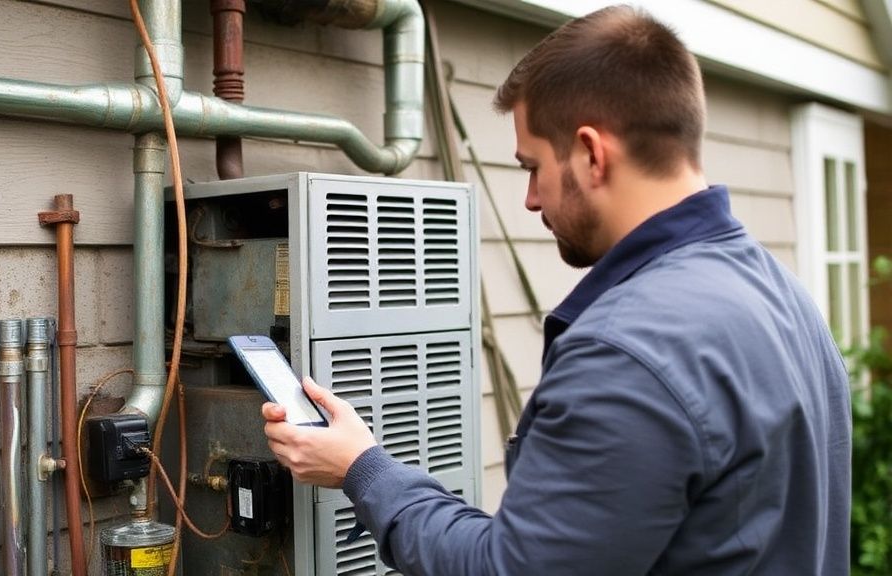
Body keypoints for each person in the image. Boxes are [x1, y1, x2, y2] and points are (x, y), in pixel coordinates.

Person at [262, 5, 851, 575]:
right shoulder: (784, 296)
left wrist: (363, 470)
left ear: (592, 154)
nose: (531, 199)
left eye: (531, 166)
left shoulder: (628, 350)